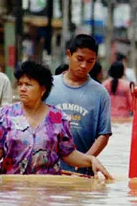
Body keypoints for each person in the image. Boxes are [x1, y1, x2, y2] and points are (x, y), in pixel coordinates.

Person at [0, 61, 112, 179]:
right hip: (11, 189)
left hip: (48, 189)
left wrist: (90, 160)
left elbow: (68, 154)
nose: (22, 89)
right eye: (20, 84)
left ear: (42, 89)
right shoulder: (3, 115)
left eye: (28, 85)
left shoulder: (58, 118)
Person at [45, 34, 112, 176]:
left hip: (82, 173)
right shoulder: (48, 85)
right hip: (46, 169)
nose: (84, 66)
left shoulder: (101, 93)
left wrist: (84, 160)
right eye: (80, 59)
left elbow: (104, 134)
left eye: (90, 61)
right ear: (69, 54)